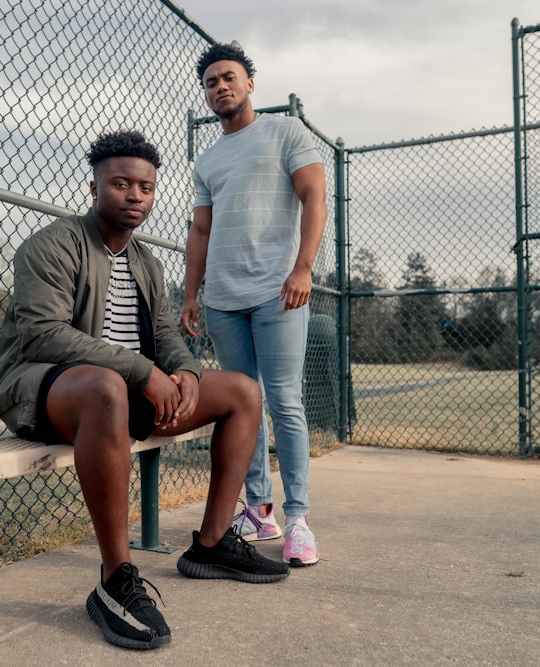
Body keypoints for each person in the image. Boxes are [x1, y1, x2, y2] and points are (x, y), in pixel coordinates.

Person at [0, 130, 289, 651]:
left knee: (242, 390)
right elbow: (44, 333)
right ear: (94, 187)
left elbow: (169, 336)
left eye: (146, 187)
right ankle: (114, 577)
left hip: (123, 393)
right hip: (46, 389)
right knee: (107, 385)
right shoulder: (52, 244)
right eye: (121, 184)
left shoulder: (148, 263)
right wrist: (142, 373)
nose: (135, 195)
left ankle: (212, 543)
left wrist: (187, 375)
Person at [181, 43, 328, 568]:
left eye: (229, 77)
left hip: (277, 291)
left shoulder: (285, 132)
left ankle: (298, 521)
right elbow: (201, 228)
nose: (220, 86)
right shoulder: (208, 159)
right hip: (223, 300)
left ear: (249, 84)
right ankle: (258, 508)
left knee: (284, 401)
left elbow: (315, 196)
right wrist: (191, 293)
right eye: (210, 82)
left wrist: (304, 267)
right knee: (242, 405)